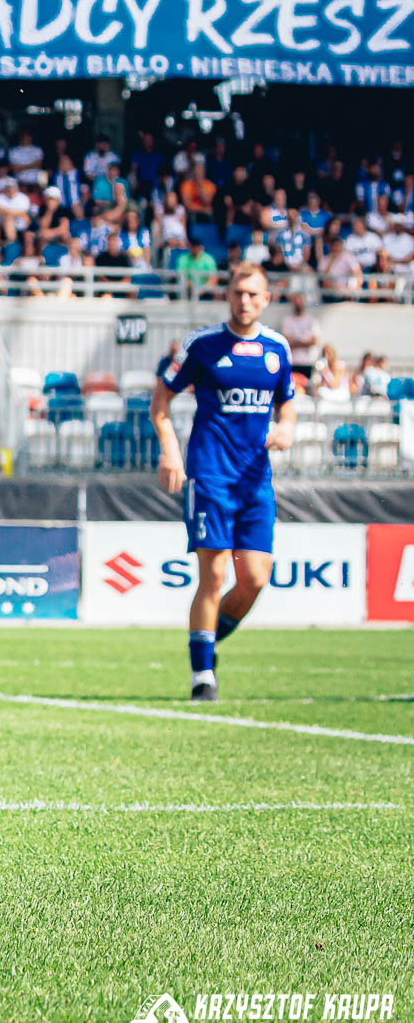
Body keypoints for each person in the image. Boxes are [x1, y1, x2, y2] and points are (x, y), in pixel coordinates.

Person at [150, 264, 296, 703]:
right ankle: (202, 677)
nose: (244, 300)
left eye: (253, 294)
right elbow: (161, 400)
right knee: (212, 575)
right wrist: (170, 450)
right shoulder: (202, 345)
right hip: (211, 475)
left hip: (256, 481)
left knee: (255, 579)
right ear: (227, 296)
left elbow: (287, 403)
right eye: (238, 292)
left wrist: (287, 427)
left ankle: (207, 643)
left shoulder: (277, 348)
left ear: (266, 299)